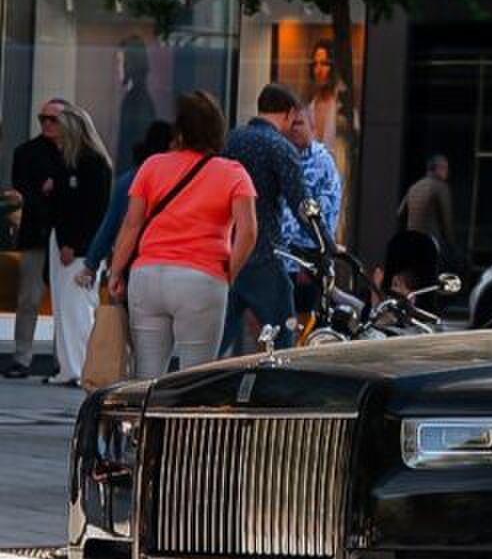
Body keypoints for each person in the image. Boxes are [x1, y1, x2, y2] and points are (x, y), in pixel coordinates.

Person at [108, 91, 257, 380]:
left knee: (146, 378)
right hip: (201, 278)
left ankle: (146, 425)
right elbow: (248, 231)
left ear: (180, 130)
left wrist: (115, 271)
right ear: (218, 130)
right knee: (194, 378)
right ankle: (184, 426)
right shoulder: (233, 173)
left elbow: (131, 224)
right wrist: (230, 273)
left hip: (147, 275)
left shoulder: (152, 166)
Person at [219, 83, 310, 356]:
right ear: (290, 112)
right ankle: (281, 390)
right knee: (283, 334)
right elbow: (301, 204)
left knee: (217, 336)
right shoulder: (280, 147)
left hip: (225, 252)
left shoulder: (230, 140)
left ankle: (190, 386)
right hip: (263, 253)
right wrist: (325, 243)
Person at [44, 101, 113, 386]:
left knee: (77, 307)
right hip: (64, 240)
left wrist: (74, 244)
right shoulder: (70, 162)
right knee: (65, 307)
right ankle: (68, 366)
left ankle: (80, 367)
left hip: (77, 246)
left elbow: (91, 212)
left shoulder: (92, 164)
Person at [3, 104, 68, 378]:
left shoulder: (76, 154)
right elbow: (25, 193)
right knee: (28, 299)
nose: (47, 123)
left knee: (65, 303)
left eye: (53, 119)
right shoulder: (26, 152)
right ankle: (22, 358)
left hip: (66, 237)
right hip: (36, 235)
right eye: (43, 118)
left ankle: (63, 361)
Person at [79, 120, 174, 289]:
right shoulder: (183, 181)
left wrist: (92, 264)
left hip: (135, 264)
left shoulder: (130, 180)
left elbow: (110, 225)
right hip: (178, 265)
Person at [278, 103, 343, 321]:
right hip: (279, 259)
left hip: (304, 264)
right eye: (290, 124)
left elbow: (327, 215)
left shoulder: (322, 162)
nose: (293, 129)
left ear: (312, 127)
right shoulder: (282, 156)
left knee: (303, 322)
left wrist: (315, 258)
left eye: (299, 123)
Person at [397, 155, 455, 258]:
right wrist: (451, 244)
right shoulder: (440, 187)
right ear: (438, 168)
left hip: (410, 240)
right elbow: (446, 220)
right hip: (429, 241)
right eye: (445, 168)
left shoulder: (414, 187)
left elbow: (400, 213)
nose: (447, 171)